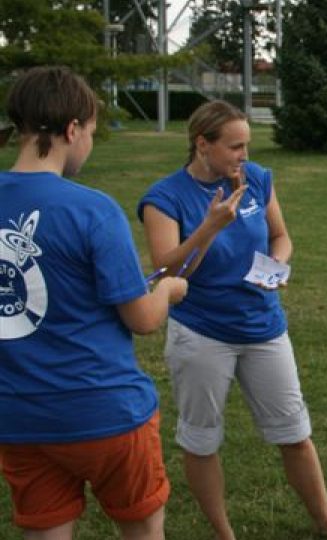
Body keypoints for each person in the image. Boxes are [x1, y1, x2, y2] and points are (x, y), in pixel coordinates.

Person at [137, 100, 327, 540]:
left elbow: (280, 237)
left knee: (295, 433)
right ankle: (226, 534)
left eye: (247, 145)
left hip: (263, 326)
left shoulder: (257, 179)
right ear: (202, 144)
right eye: (235, 146)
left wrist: (276, 266)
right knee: (202, 440)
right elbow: (167, 273)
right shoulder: (164, 198)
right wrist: (208, 228)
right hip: (202, 332)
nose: (244, 155)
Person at [0, 66, 188, 539]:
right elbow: (142, 319)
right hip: (104, 410)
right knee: (142, 530)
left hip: (19, 416)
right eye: (90, 131)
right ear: (71, 129)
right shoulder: (92, 208)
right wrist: (166, 289)